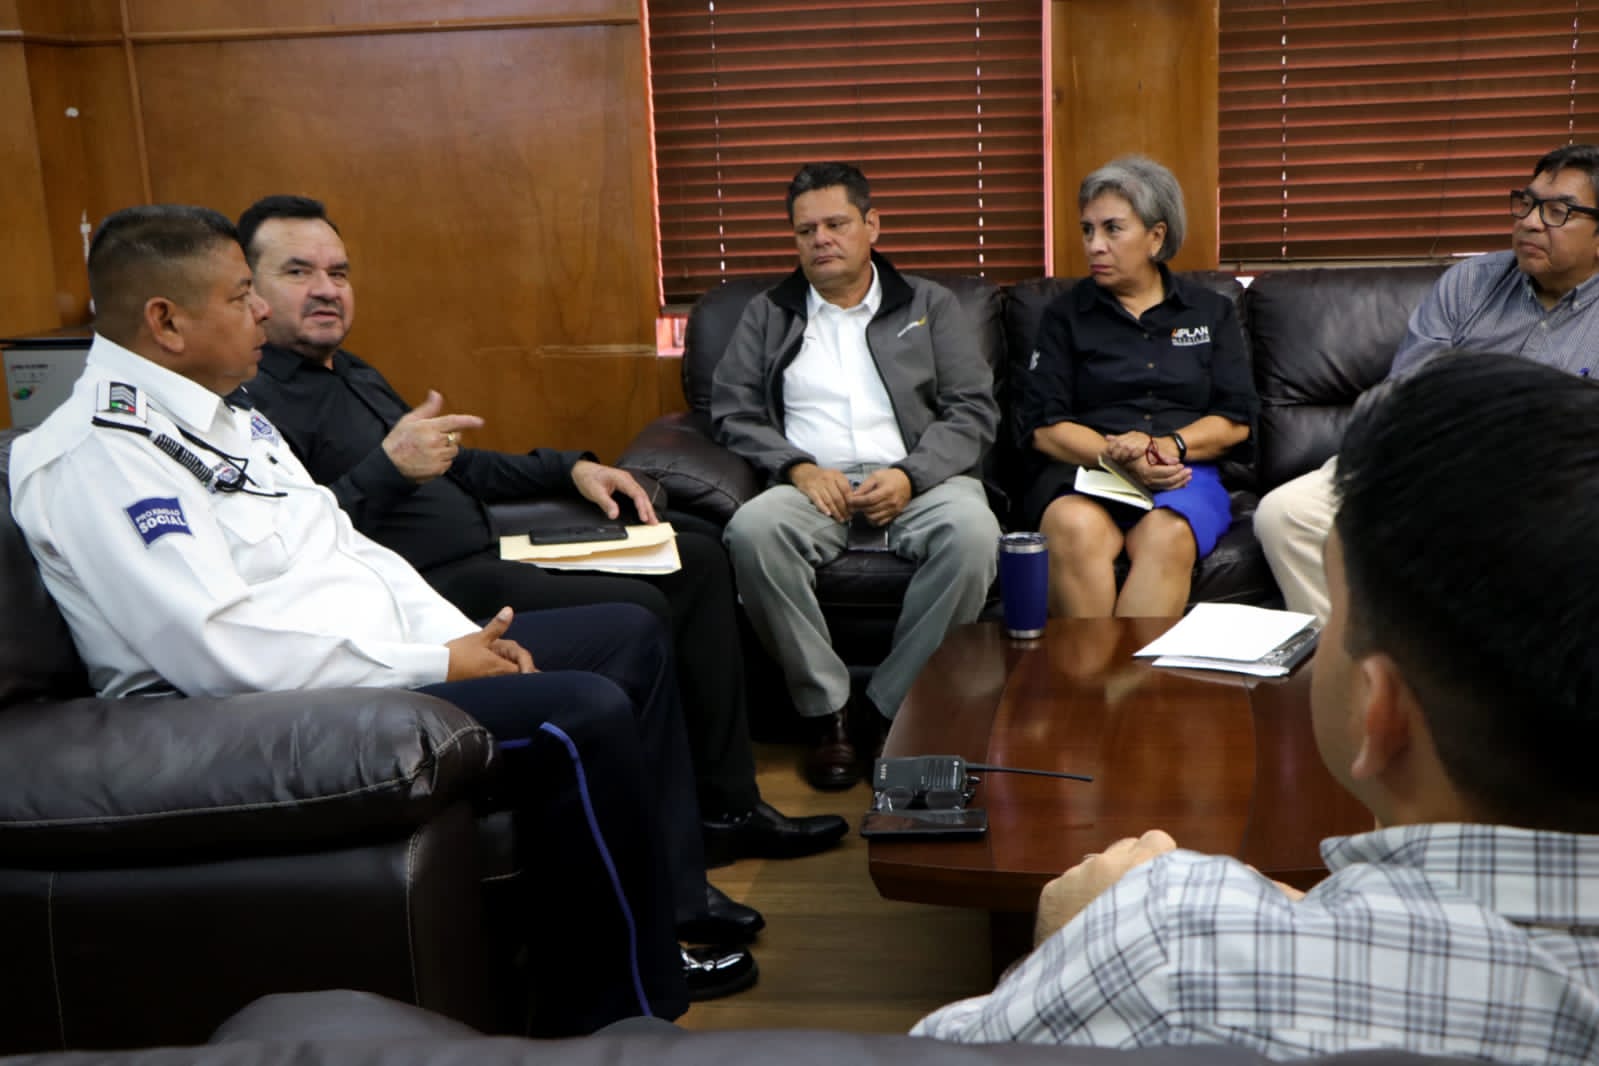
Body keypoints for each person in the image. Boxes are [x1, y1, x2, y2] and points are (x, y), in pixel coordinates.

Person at [6, 204, 753, 1033]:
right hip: (255, 712)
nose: (262, 311)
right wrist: (437, 667)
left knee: (621, 639)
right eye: (243, 295)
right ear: (166, 321)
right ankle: (625, 1012)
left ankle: (655, 917)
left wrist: (454, 639)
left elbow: (353, 552)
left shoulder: (229, 415)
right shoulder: (100, 453)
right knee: (578, 712)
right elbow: (218, 650)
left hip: (365, 661)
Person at [914, 352, 1599, 1060]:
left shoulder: (1165, 950)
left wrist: (1071, 946)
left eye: (1335, 618)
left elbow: (940, 1050)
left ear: (1381, 709)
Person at [230, 195, 846, 868]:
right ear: (249, 290)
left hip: (492, 551)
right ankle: (665, 846)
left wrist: (571, 468)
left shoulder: (350, 371)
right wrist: (387, 468)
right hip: (427, 592)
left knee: (694, 555)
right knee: (639, 607)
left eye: (339, 272)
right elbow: (297, 542)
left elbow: (456, 464)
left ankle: (728, 808)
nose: (326, 289)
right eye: (298, 272)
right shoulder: (253, 405)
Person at [711, 162, 1002, 790]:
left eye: (836, 224)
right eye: (805, 230)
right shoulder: (769, 313)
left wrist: (912, 475)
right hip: (813, 484)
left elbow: (974, 410)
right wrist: (796, 467)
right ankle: (828, 715)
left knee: (975, 535)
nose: (820, 239)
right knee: (752, 532)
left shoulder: (929, 304)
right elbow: (733, 411)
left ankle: (888, 709)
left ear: (872, 225)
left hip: (921, 478)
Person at [1256, 142, 1599, 620]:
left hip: (1542, 486)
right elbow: (1407, 393)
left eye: (1557, 211)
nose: (1530, 222)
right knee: (1286, 514)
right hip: (1427, 458)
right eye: (1526, 203)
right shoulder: (1469, 283)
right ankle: (1350, 658)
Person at [1015, 155, 1255, 618]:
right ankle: (1093, 667)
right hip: (1087, 471)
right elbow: (1045, 428)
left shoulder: (1210, 312)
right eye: (1087, 230)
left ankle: (1123, 670)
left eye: (1112, 229)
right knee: (1072, 526)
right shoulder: (1064, 316)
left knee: (1169, 534)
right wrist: (1121, 457)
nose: (1094, 245)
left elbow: (1236, 419)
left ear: (1156, 237)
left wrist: (1164, 447)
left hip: (1181, 472)